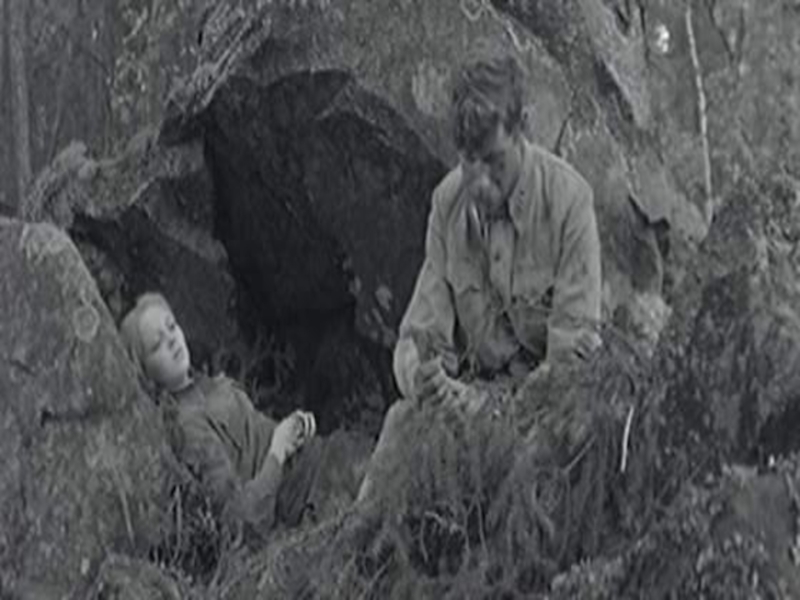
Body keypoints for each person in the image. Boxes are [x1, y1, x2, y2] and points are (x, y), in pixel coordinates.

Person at [358, 41, 602, 500]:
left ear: (522, 128)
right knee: (401, 421)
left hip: (542, 414)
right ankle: (357, 539)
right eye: (469, 162)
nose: (481, 183)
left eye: (494, 161)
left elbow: (570, 370)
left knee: (548, 451)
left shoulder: (571, 203)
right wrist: (424, 379)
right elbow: (419, 336)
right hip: (469, 406)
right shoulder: (446, 204)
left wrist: (494, 410)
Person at [119, 292, 326, 539]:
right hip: (307, 496)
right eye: (157, 345)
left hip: (319, 461)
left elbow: (263, 434)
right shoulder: (188, 428)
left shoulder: (210, 384)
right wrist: (278, 450)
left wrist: (293, 429)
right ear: (146, 373)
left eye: (171, 327)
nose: (172, 340)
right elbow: (242, 521)